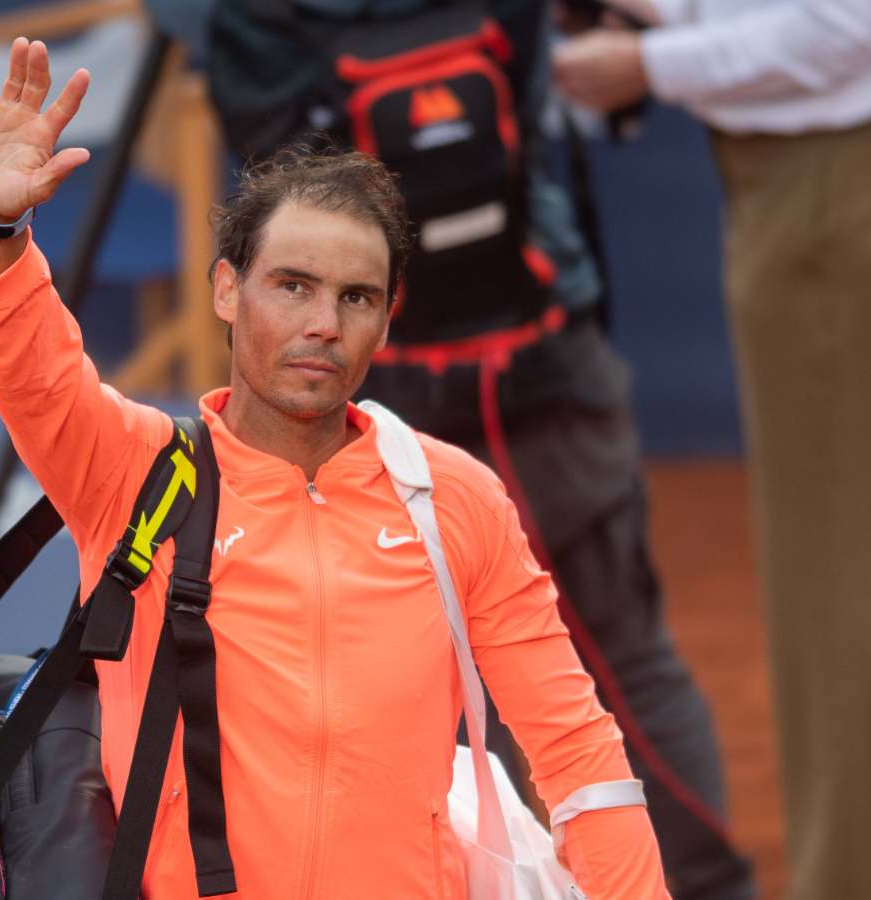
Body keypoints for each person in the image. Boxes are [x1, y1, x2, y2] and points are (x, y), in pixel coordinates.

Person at [0, 36, 668, 899]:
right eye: (292, 285)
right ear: (228, 289)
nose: (324, 323)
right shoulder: (131, 468)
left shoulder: (456, 499)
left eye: (355, 297)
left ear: (386, 317)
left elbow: (575, 749)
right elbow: (31, 365)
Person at [204, 1, 754, 896]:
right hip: (513, 347)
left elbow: (265, 146)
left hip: (388, 374)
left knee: (465, 686)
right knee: (615, 662)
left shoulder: (253, 20)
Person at [553, 3, 871, 896]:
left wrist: (655, 65)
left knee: (836, 574)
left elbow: (844, 26)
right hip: (792, 184)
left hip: (827, 179)